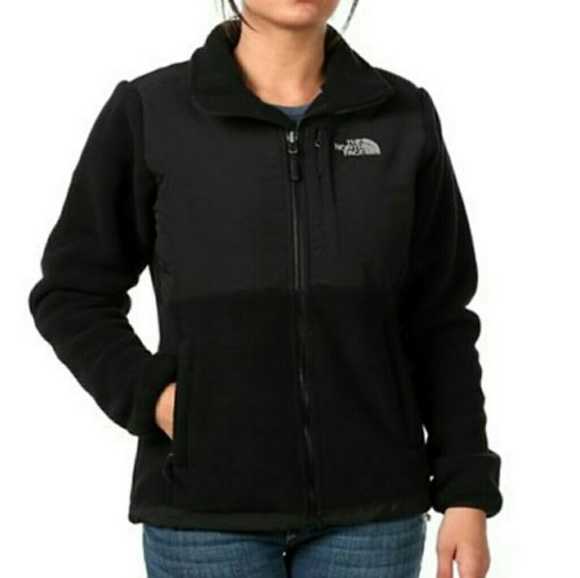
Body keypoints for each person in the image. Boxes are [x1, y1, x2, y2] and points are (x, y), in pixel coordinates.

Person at [27, 1, 503, 576]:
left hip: (372, 515)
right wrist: (153, 398)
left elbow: (439, 318)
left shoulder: (401, 116)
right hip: (204, 515)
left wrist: (466, 489)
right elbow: (72, 292)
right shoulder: (152, 111)